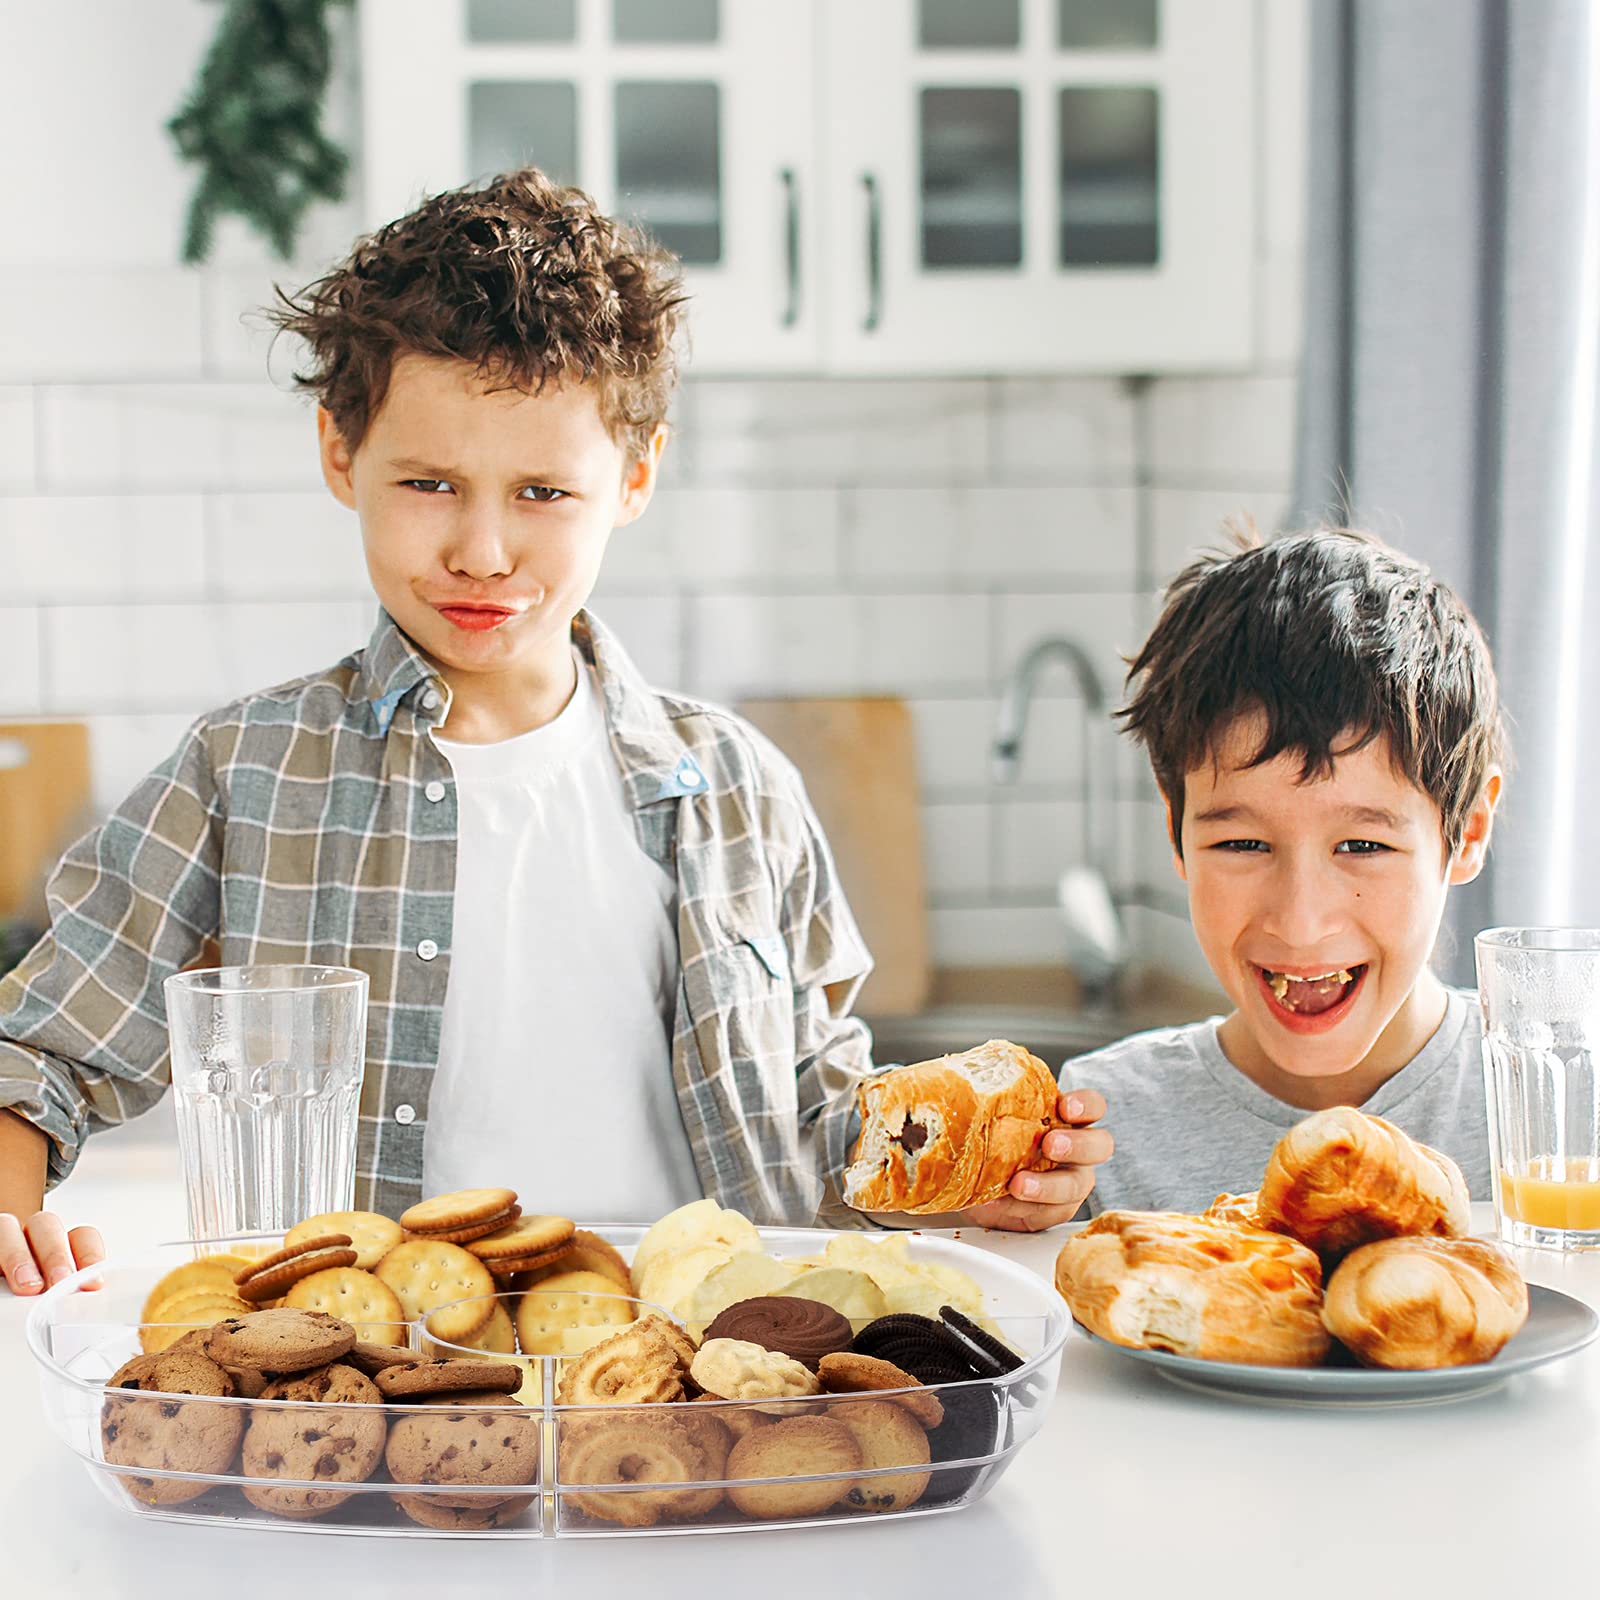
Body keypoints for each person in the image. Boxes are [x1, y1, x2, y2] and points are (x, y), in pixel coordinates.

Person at [0, 168, 1109, 1295]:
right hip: (377, 1376)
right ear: (340, 453)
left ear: (635, 475)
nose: (482, 552)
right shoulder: (244, 773)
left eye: (542, 492)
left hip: (694, 1369)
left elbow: (818, 1132)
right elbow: (38, 1054)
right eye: (429, 483)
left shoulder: (737, 788)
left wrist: (972, 1179)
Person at [1061, 525, 1504, 1215]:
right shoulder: (1094, 1134)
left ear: (1468, 831)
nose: (1300, 924)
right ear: (1176, 830)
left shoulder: (1562, 1108)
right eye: (1243, 844)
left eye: (1362, 847)